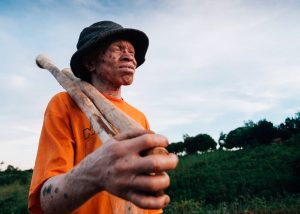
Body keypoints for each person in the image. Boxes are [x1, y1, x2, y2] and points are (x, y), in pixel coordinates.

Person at [28, 21, 178, 214]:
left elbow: (150, 197)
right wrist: (95, 173)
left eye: (132, 52)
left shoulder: (139, 117)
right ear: (91, 63)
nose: (129, 56)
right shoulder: (64, 104)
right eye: (118, 48)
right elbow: (46, 203)